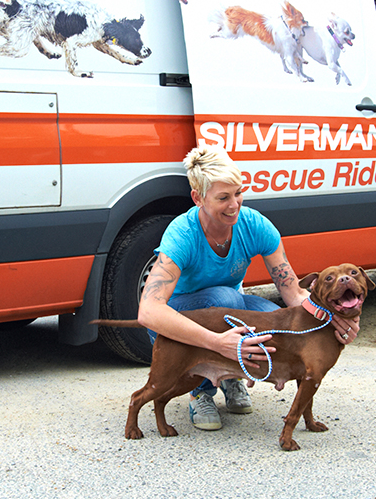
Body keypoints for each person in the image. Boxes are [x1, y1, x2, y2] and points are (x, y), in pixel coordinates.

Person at [137, 145, 360, 431]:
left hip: (228, 310)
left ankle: (232, 376)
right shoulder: (182, 234)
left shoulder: (255, 225)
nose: (235, 205)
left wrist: (338, 319)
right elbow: (149, 312)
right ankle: (201, 390)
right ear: (198, 198)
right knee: (224, 296)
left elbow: (294, 295)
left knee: (279, 321)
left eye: (239, 193)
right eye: (223, 198)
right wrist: (218, 343)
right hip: (177, 322)